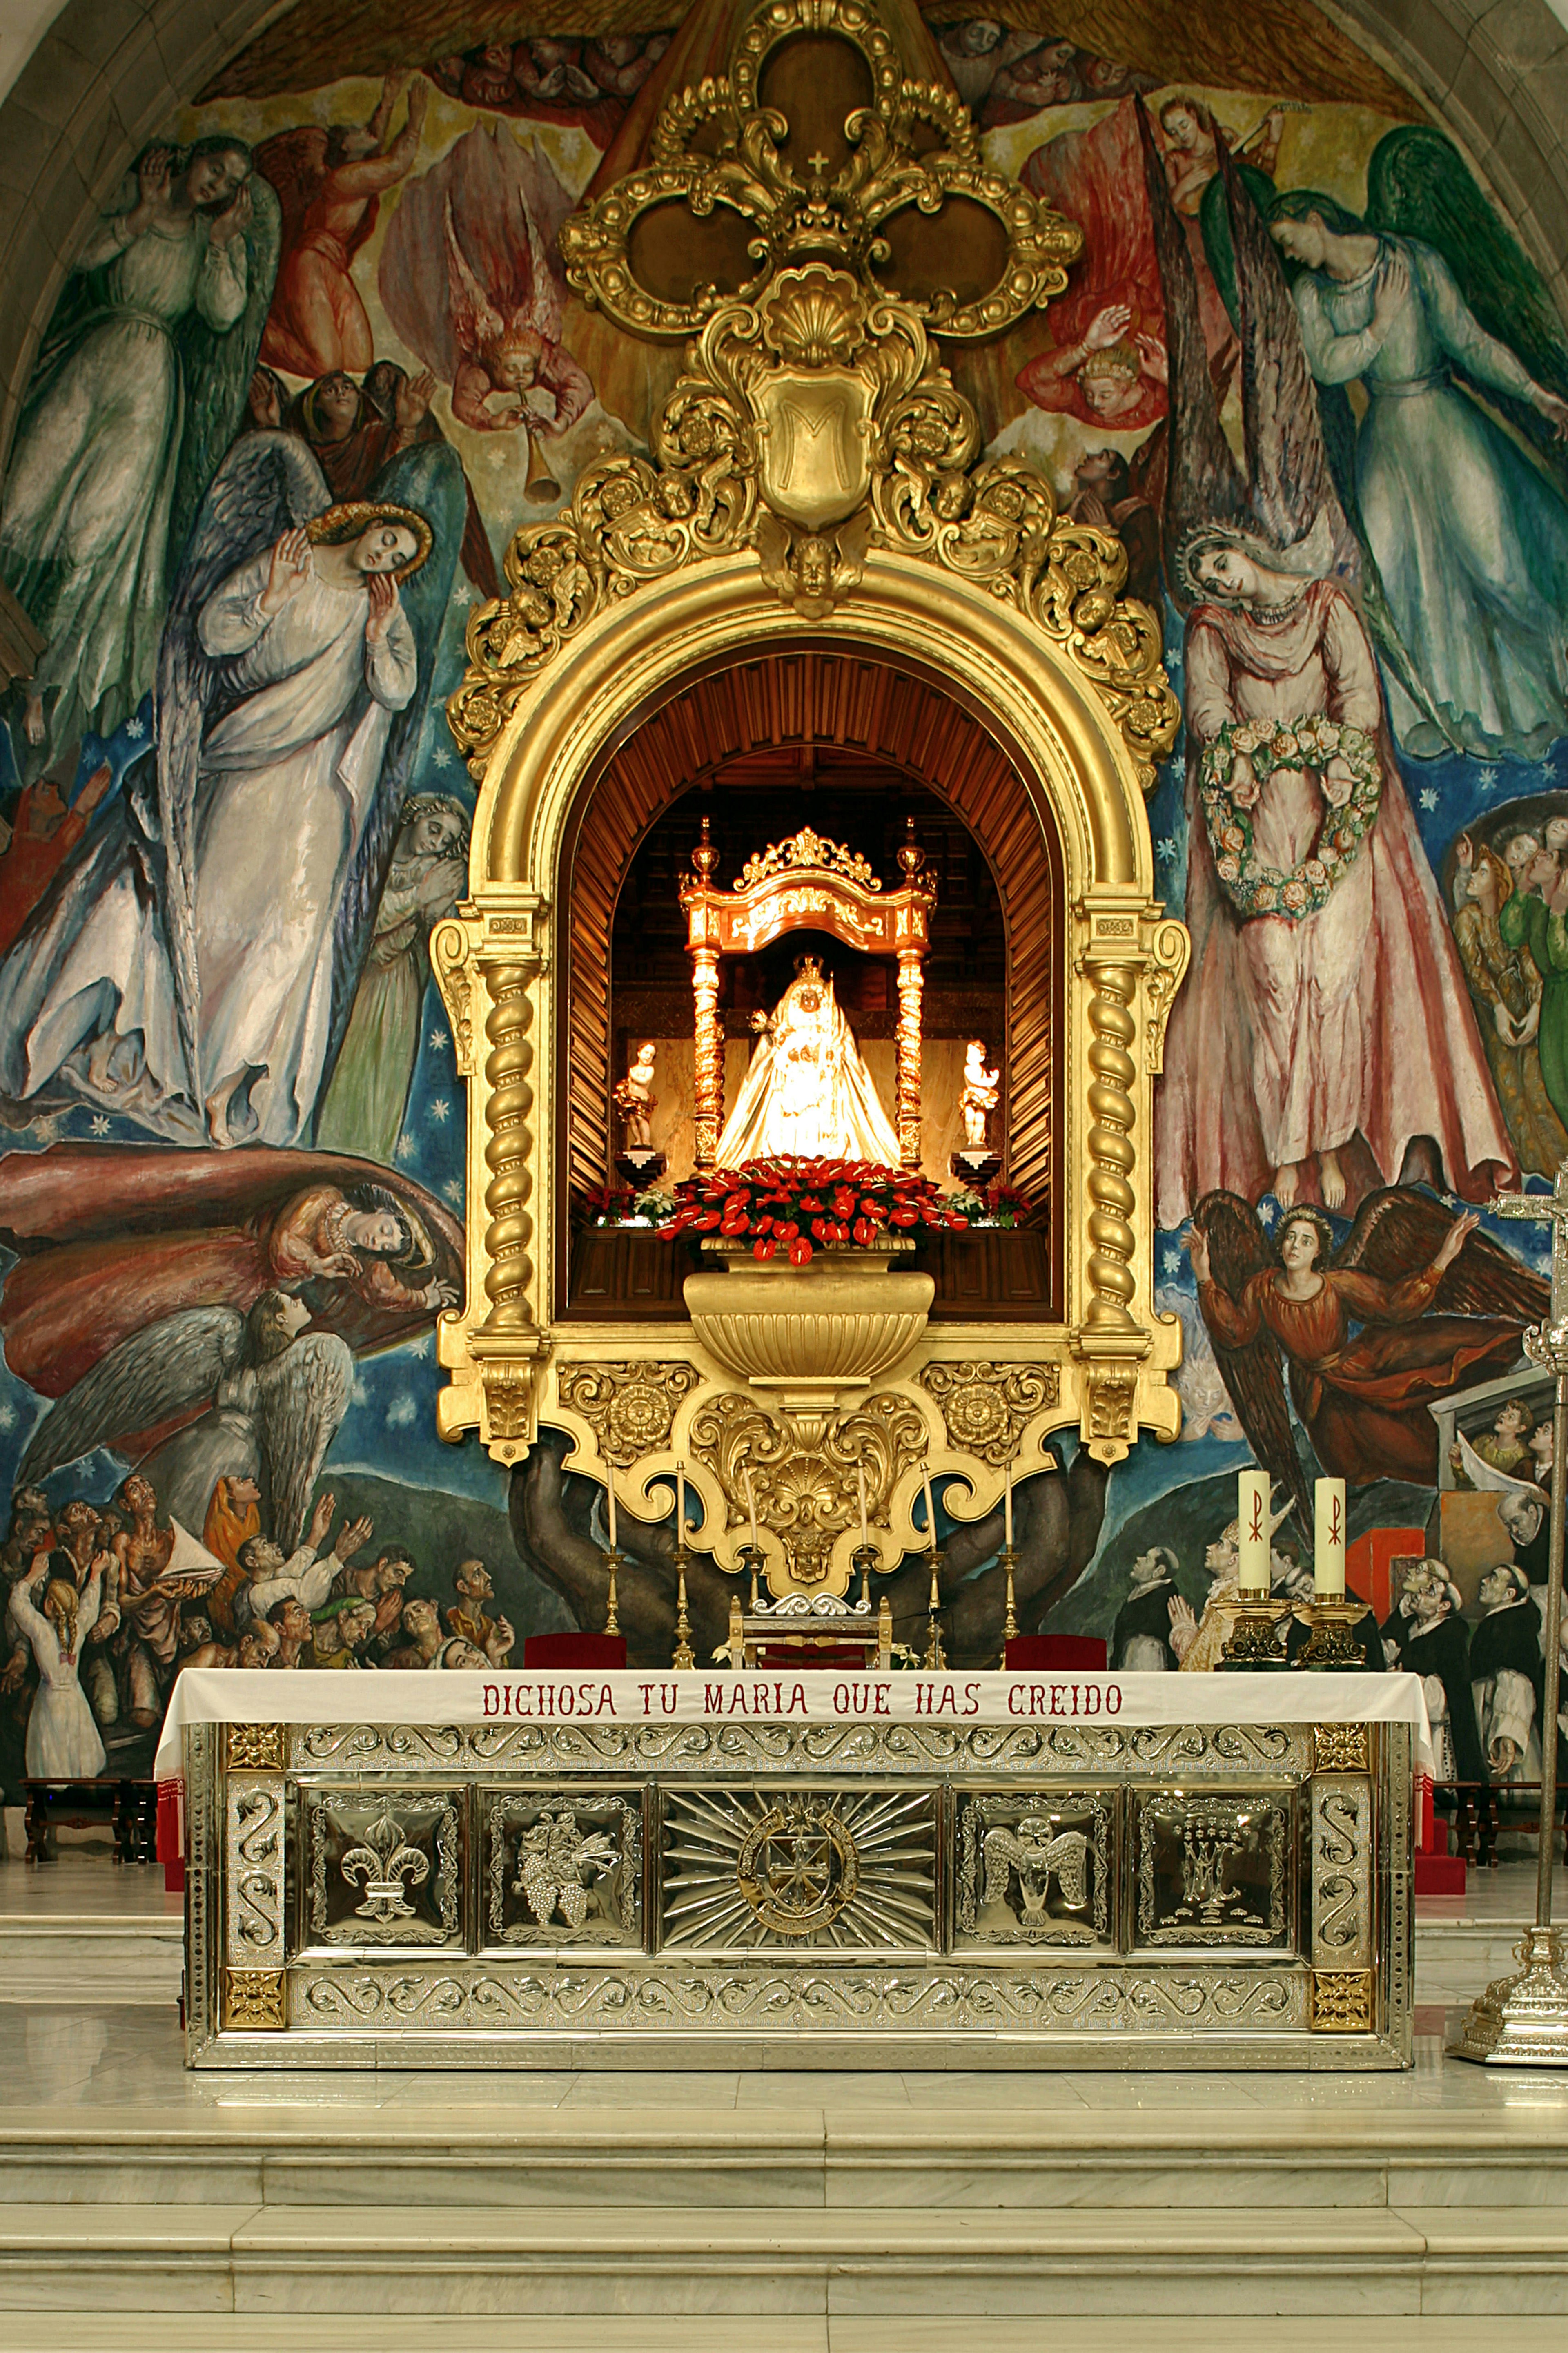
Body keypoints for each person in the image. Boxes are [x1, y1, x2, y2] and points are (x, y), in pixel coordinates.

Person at [0, 506, 427, 1146]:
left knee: (286, 932)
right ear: (366, 523)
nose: (386, 558)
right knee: (209, 913)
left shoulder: (382, 613)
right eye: (388, 540)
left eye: (400, 559)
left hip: (316, 781)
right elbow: (214, 633)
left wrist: (378, 632)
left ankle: (230, 1086)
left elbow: (396, 690)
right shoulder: (292, 561)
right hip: (245, 760)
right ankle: (162, 1059)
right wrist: (271, 599)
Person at [1158, 523, 1515, 1222]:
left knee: (1334, 980)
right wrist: (1229, 749)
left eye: (1221, 562)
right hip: (1260, 829)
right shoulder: (1212, 630)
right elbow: (1206, 708)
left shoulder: (1326, 607)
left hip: (1336, 819)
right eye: (1205, 577)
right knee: (1276, 987)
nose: (1220, 581)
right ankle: (1285, 1155)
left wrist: (1343, 754)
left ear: (1246, 548)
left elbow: (1359, 697)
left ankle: (1326, 1150)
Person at [1272, 194, 1568, 758]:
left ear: (1317, 220)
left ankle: (1554, 677)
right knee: (1395, 576)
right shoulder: (1312, 295)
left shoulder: (1413, 261)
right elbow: (1327, 366)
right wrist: (1381, 325)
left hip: (1442, 420)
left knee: (1497, 564)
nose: (1290, 253)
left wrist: (1533, 394)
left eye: (1290, 237)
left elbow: (1470, 341)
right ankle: (1441, 718)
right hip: (1385, 438)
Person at [0, 137, 261, 776]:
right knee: (19, 504)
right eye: (215, 168)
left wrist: (226, 241)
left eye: (230, 183)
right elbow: (79, 255)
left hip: (148, 384)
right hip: (95, 355)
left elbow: (224, 313)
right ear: (192, 157)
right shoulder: (135, 197)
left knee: (97, 533)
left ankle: (39, 687)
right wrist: (141, 212)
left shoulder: (209, 239)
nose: (217, 185)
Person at [1190, 1204, 1524, 1490]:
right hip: (1313, 1387)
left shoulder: (1337, 1285)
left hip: (1355, 1369)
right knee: (1346, 1460)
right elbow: (1235, 1331)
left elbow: (1392, 1304)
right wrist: (1204, 1275)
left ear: (1317, 1252)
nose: (1295, 1246)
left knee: (1401, 1417)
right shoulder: (1262, 1288)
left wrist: (1443, 1258)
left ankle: (1463, 1463)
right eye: (1291, 1237)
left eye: (1306, 1241)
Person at [314, 794, 470, 1164]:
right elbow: (363, 923)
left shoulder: (433, 874)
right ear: (413, 818)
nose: (437, 844)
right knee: (345, 1076)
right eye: (434, 830)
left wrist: (436, 904)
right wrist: (419, 897)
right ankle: (327, 1163)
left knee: (382, 1083)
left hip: (399, 989)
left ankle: (370, 1166)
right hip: (354, 986)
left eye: (447, 841)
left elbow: (438, 935)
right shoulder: (373, 861)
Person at [258, 78, 428, 379]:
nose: (368, 133)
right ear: (346, 146)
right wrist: (415, 122)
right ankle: (261, 329)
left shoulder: (356, 175)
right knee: (326, 366)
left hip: (334, 269)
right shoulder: (340, 181)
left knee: (359, 366)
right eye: (359, 133)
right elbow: (395, 164)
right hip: (309, 265)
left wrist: (388, 102)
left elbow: (375, 142)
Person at [1450, 838, 1566, 1176]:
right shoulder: (1469, 919)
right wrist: (1499, 1008)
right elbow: (1474, 969)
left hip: (1529, 1008)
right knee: (1510, 1092)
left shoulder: (1517, 914)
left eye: (1482, 872)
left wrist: (1535, 1008)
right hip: (1494, 1013)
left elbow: (1530, 963)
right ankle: (1532, 1171)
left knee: (1539, 1088)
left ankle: (1561, 1172)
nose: (1475, 877)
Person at [715, 955, 900, 1166]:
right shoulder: (785, 1027)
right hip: (793, 1092)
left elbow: (843, 1050)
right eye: (805, 996)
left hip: (824, 1095)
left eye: (813, 996)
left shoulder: (831, 1025)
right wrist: (790, 1050)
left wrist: (828, 1055)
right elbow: (775, 1052)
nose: (809, 1001)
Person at [1381, 1559, 1486, 1783]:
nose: (1419, 1595)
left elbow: (1442, 1701)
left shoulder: (1450, 1638)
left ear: (1443, 1607)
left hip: (1435, 1738)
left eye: (1429, 1593)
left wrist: (1406, 1680)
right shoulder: (1409, 1630)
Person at [1496, 840, 1568, 1137]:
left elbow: (1561, 958)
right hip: (1553, 1006)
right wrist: (1524, 887)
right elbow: (1511, 934)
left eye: (1548, 857)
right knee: (1557, 1086)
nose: (1537, 859)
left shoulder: (1559, 909)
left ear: (1562, 872)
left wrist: (1560, 910)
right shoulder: (1539, 908)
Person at [10, 1557, 105, 1778]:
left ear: (49, 1605)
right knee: (76, 1753)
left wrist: (32, 1576)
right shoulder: (78, 1628)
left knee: (53, 1754)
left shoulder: (42, 1631)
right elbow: (90, 1607)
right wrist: (96, 1576)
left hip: (50, 1703)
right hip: (75, 1700)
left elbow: (18, 1604)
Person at [238, 1496, 373, 1624]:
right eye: (264, 1546)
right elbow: (306, 1596)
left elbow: (293, 1570)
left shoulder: (272, 1578)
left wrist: (316, 1535)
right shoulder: (259, 1594)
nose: (274, 1546)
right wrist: (338, 1557)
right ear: (252, 1562)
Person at [1470, 1561, 1543, 1781]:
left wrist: (1508, 1736)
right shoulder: (1496, 1623)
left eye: (1493, 1578)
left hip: (1506, 1730)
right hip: (1490, 1719)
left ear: (1509, 1594)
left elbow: (1518, 1682)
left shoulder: (1512, 1628)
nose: (1484, 1581)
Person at [1109, 1546, 1183, 1670]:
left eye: (1147, 1559)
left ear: (1159, 1571)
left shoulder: (1161, 1602)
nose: (1139, 1559)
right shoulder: (1141, 1595)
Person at [444, 1559, 514, 1666]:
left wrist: (496, 1658)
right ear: (463, 1587)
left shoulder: (491, 1628)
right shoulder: (448, 1623)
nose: (488, 1577)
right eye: (477, 1575)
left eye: (484, 1571)